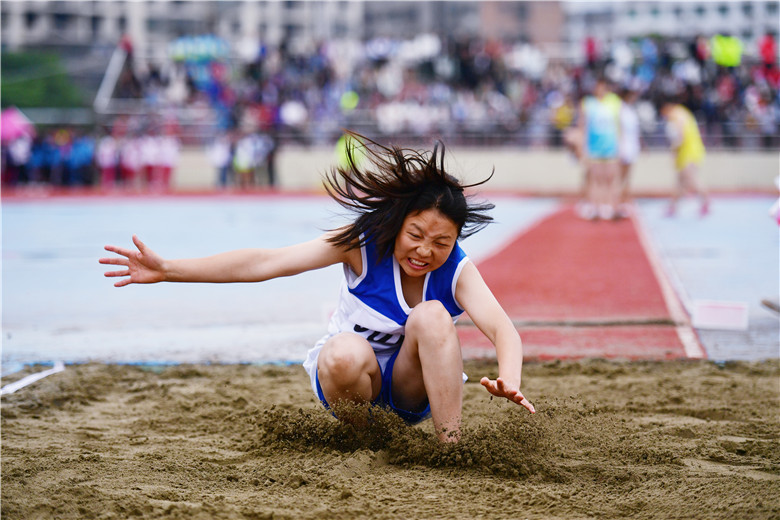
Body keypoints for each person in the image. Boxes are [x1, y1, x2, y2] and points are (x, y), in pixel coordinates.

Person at [99, 132, 535, 443]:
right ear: (397, 223)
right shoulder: (361, 244)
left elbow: (503, 331)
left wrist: (509, 381)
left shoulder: (456, 269)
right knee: (345, 353)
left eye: (441, 242)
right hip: (347, 383)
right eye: (416, 234)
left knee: (433, 316)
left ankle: (451, 447)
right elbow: (267, 262)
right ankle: (367, 442)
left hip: (410, 391)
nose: (424, 251)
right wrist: (169, 269)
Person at [576, 76, 622, 220]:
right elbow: (582, 126)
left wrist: (621, 145)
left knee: (611, 178)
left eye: (602, 86)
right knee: (595, 179)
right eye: (597, 86)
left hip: (611, 147)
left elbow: (619, 125)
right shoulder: (587, 104)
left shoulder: (614, 102)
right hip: (594, 148)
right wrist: (581, 147)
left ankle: (610, 206)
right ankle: (595, 206)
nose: (600, 89)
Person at [659, 98, 710, 217]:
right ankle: (673, 207)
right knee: (680, 182)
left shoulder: (676, 115)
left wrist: (675, 151)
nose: (663, 115)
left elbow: (679, 136)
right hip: (688, 152)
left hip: (688, 153)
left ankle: (705, 202)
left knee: (691, 179)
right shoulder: (683, 112)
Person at [617, 83, 642, 218]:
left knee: (627, 178)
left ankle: (624, 202)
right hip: (624, 147)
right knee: (621, 177)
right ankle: (618, 202)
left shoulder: (631, 110)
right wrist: (620, 147)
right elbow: (619, 130)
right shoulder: (621, 110)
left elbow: (636, 131)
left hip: (632, 147)